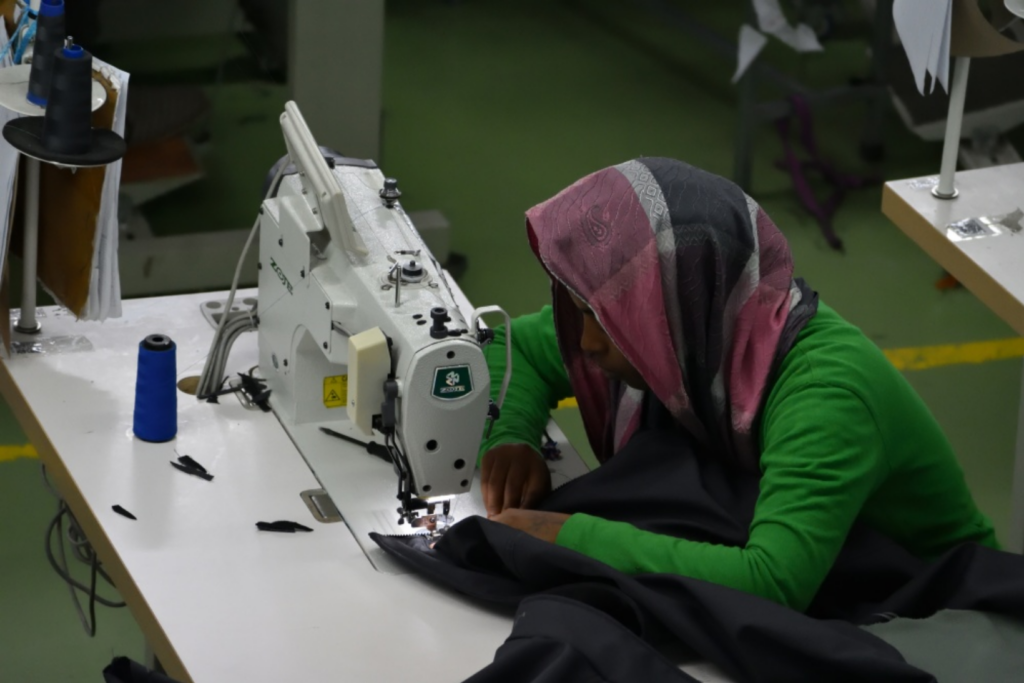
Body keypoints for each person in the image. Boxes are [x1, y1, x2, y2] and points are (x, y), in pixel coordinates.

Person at [476, 157, 998, 612]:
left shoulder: (826, 396)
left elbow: (771, 582)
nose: (586, 342)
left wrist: (569, 534)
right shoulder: (692, 326)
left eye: (601, 317)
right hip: (826, 568)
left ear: (671, 304)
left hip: (927, 609)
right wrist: (513, 435)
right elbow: (512, 347)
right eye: (582, 310)